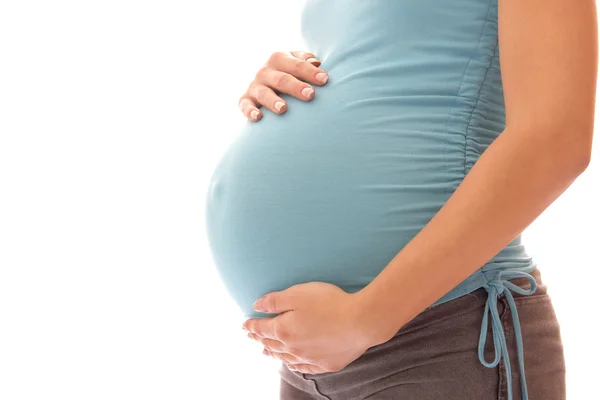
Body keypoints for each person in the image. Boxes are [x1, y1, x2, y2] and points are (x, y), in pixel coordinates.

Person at [205, 0, 597, 399]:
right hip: (309, 355)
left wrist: (366, 319)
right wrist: (292, 71)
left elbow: (555, 138)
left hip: (442, 336)